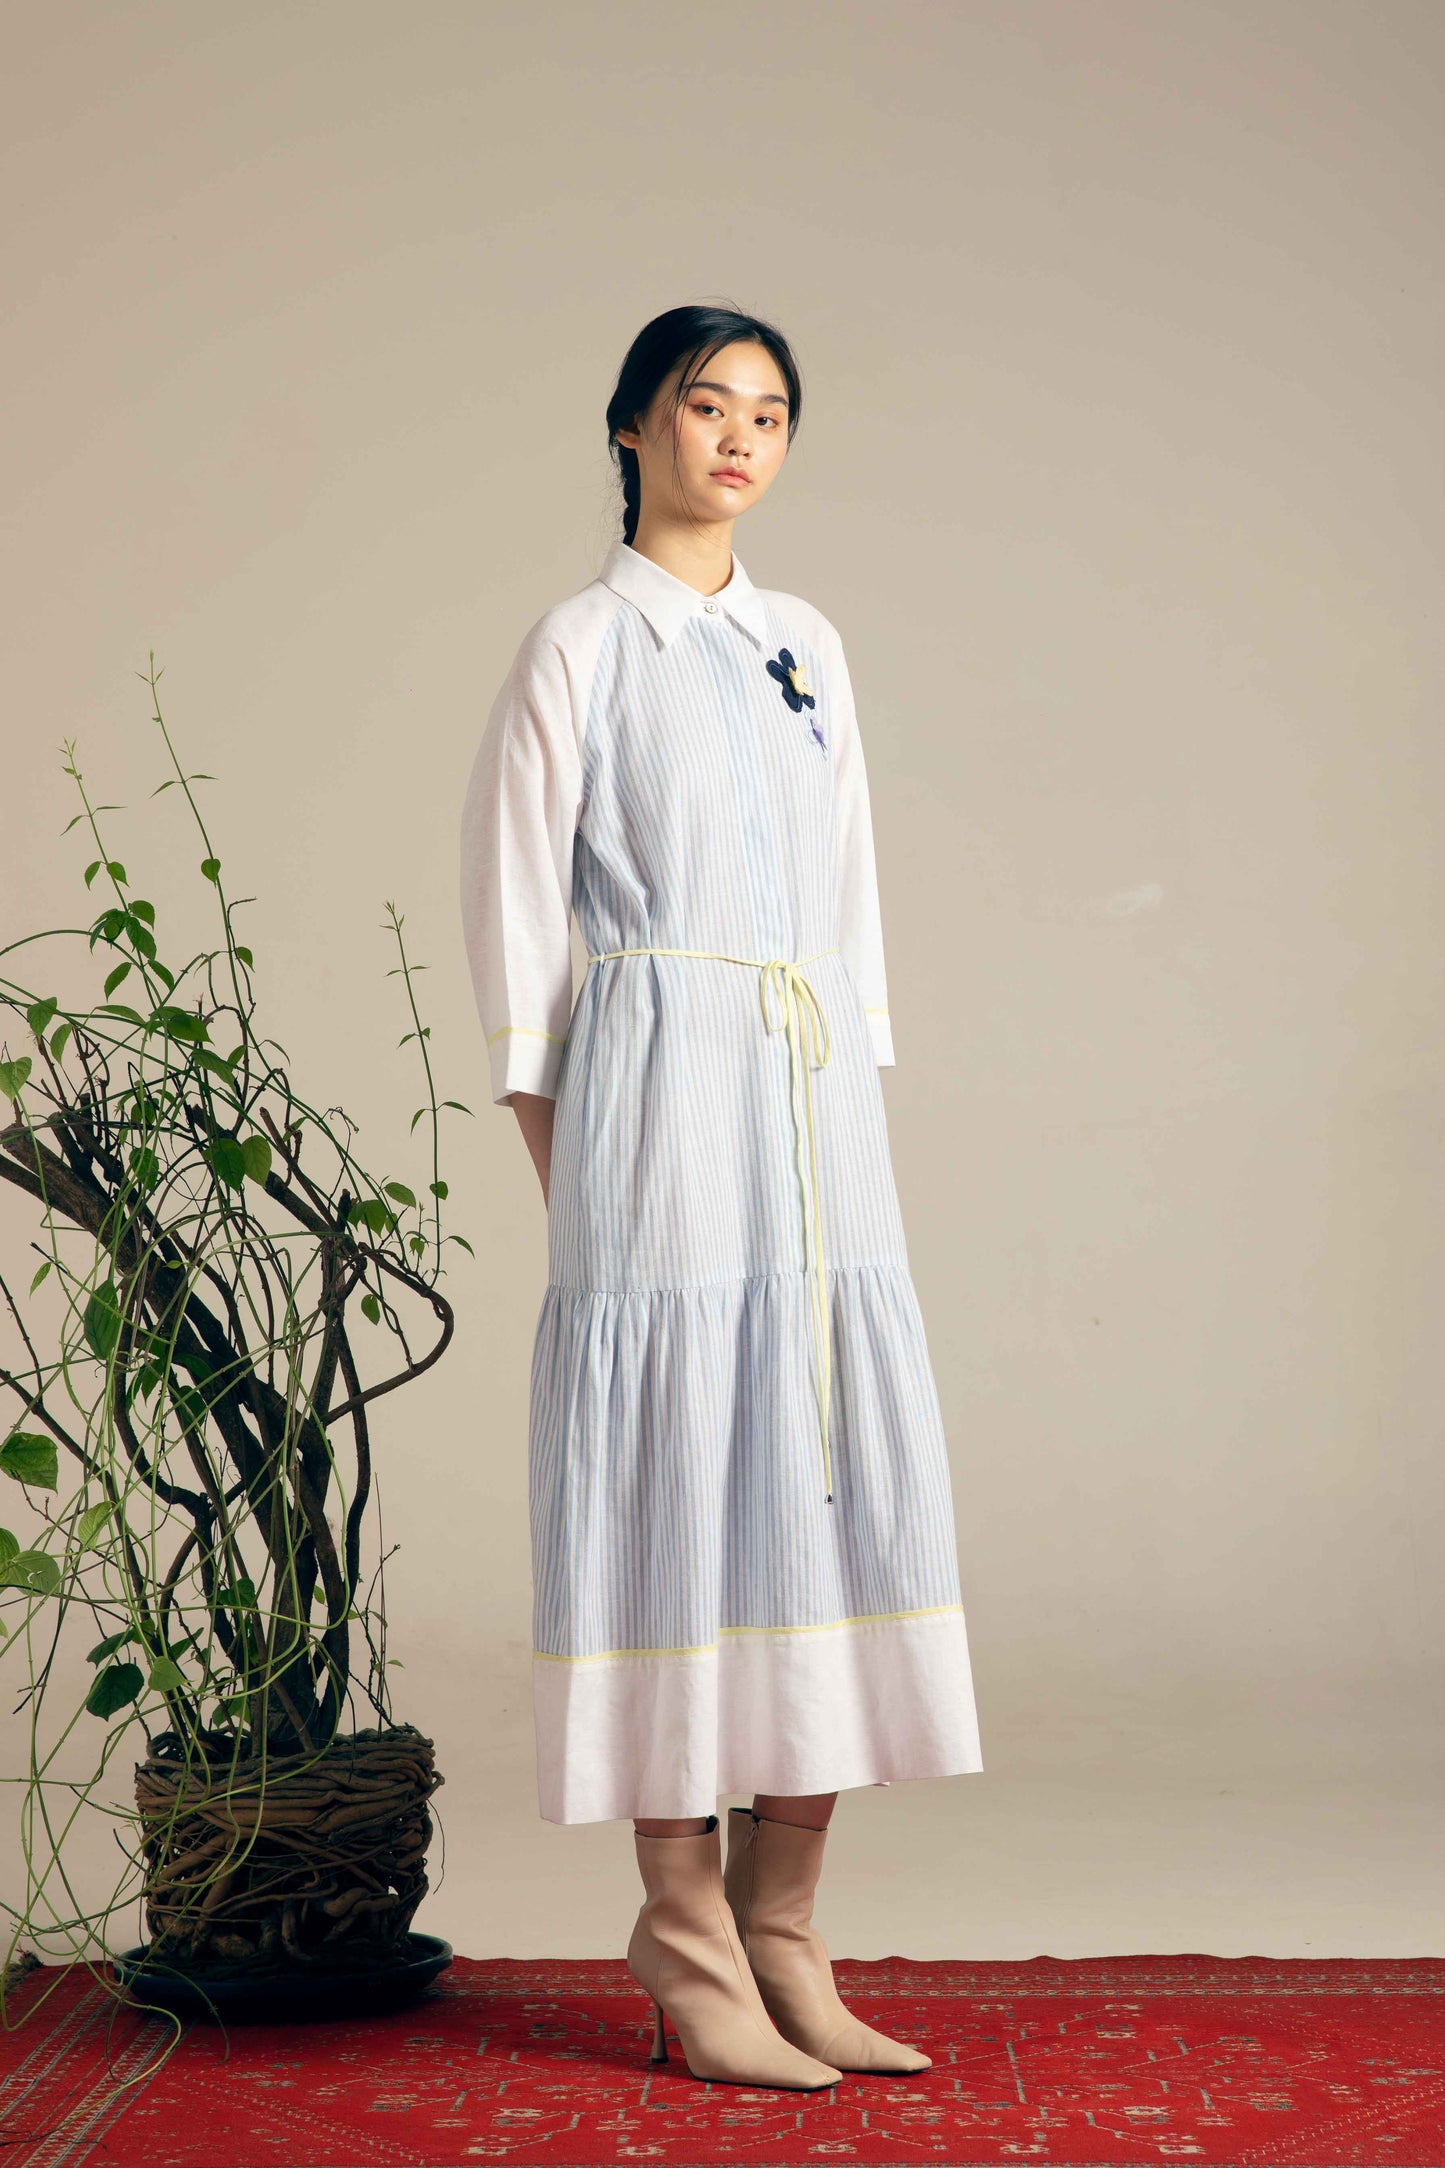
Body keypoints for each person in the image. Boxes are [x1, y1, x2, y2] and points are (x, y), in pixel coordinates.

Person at [460, 303, 983, 2089]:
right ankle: (685, 1937)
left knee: (817, 1476)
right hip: (652, 1089)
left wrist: (851, 1084)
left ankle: (786, 1934)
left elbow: (848, 893)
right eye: (706, 405)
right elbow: (519, 913)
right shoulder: (577, 645)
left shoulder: (804, 641)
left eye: (769, 411)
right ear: (631, 427)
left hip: (806, 1097)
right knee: (675, 1479)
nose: (740, 436)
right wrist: (566, 1148)